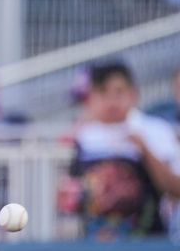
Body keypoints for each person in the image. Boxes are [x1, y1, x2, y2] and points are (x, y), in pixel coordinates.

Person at [58, 60, 180, 240]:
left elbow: (175, 189)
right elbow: (71, 197)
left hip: (148, 245)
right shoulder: (85, 136)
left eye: (118, 92)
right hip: (94, 247)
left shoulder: (155, 130)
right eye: (103, 92)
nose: (112, 101)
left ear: (134, 94)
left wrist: (145, 150)